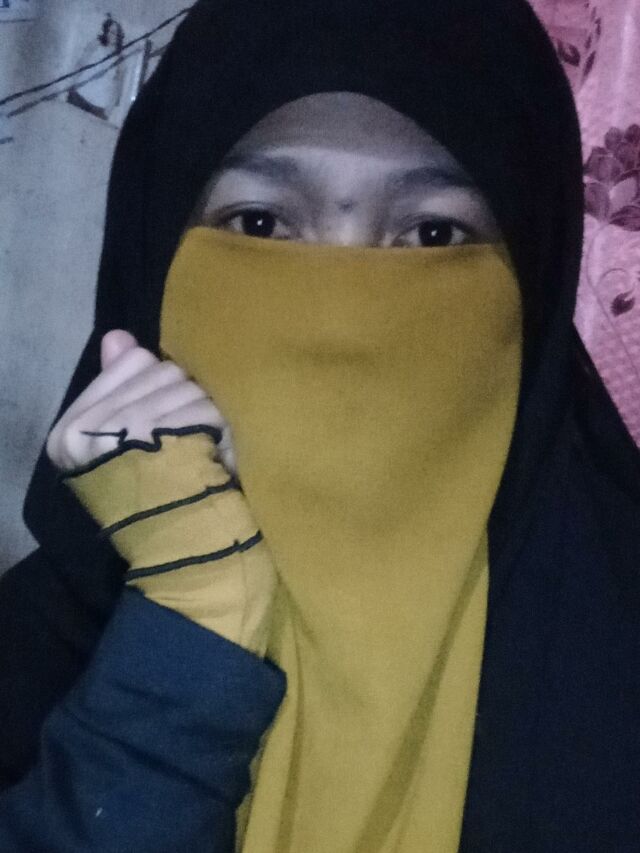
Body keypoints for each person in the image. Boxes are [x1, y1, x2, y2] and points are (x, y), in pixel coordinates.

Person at [1, 0, 640, 850]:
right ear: (153, 256)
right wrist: (194, 613)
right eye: (260, 223)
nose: (342, 312)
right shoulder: (26, 658)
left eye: (433, 233)